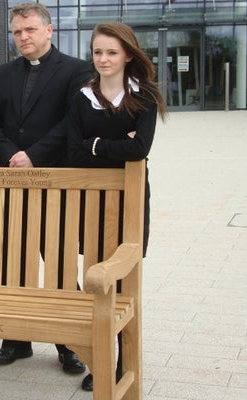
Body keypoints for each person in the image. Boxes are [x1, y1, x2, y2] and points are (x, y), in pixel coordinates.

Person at [0, 2, 93, 375]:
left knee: (58, 264)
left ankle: (70, 343)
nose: (23, 37)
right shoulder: (3, 72)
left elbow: (70, 122)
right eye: (17, 31)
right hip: (12, 181)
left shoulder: (77, 70)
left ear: (49, 30)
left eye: (29, 29)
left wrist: (33, 155)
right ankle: (16, 340)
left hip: (53, 182)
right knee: (14, 261)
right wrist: (13, 155)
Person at [63, 21, 167, 391]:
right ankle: (101, 361)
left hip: (131, 201)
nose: (103, 59)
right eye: (97, 52)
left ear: (127, 54)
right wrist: (114, 144)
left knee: (124, 280)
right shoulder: (80, 97)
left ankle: (123, 361)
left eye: (111, 52)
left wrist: (96, 144)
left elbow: (140, 150)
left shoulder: (145, 94)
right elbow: (75, 153)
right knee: (97, 279)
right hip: (94, 201)